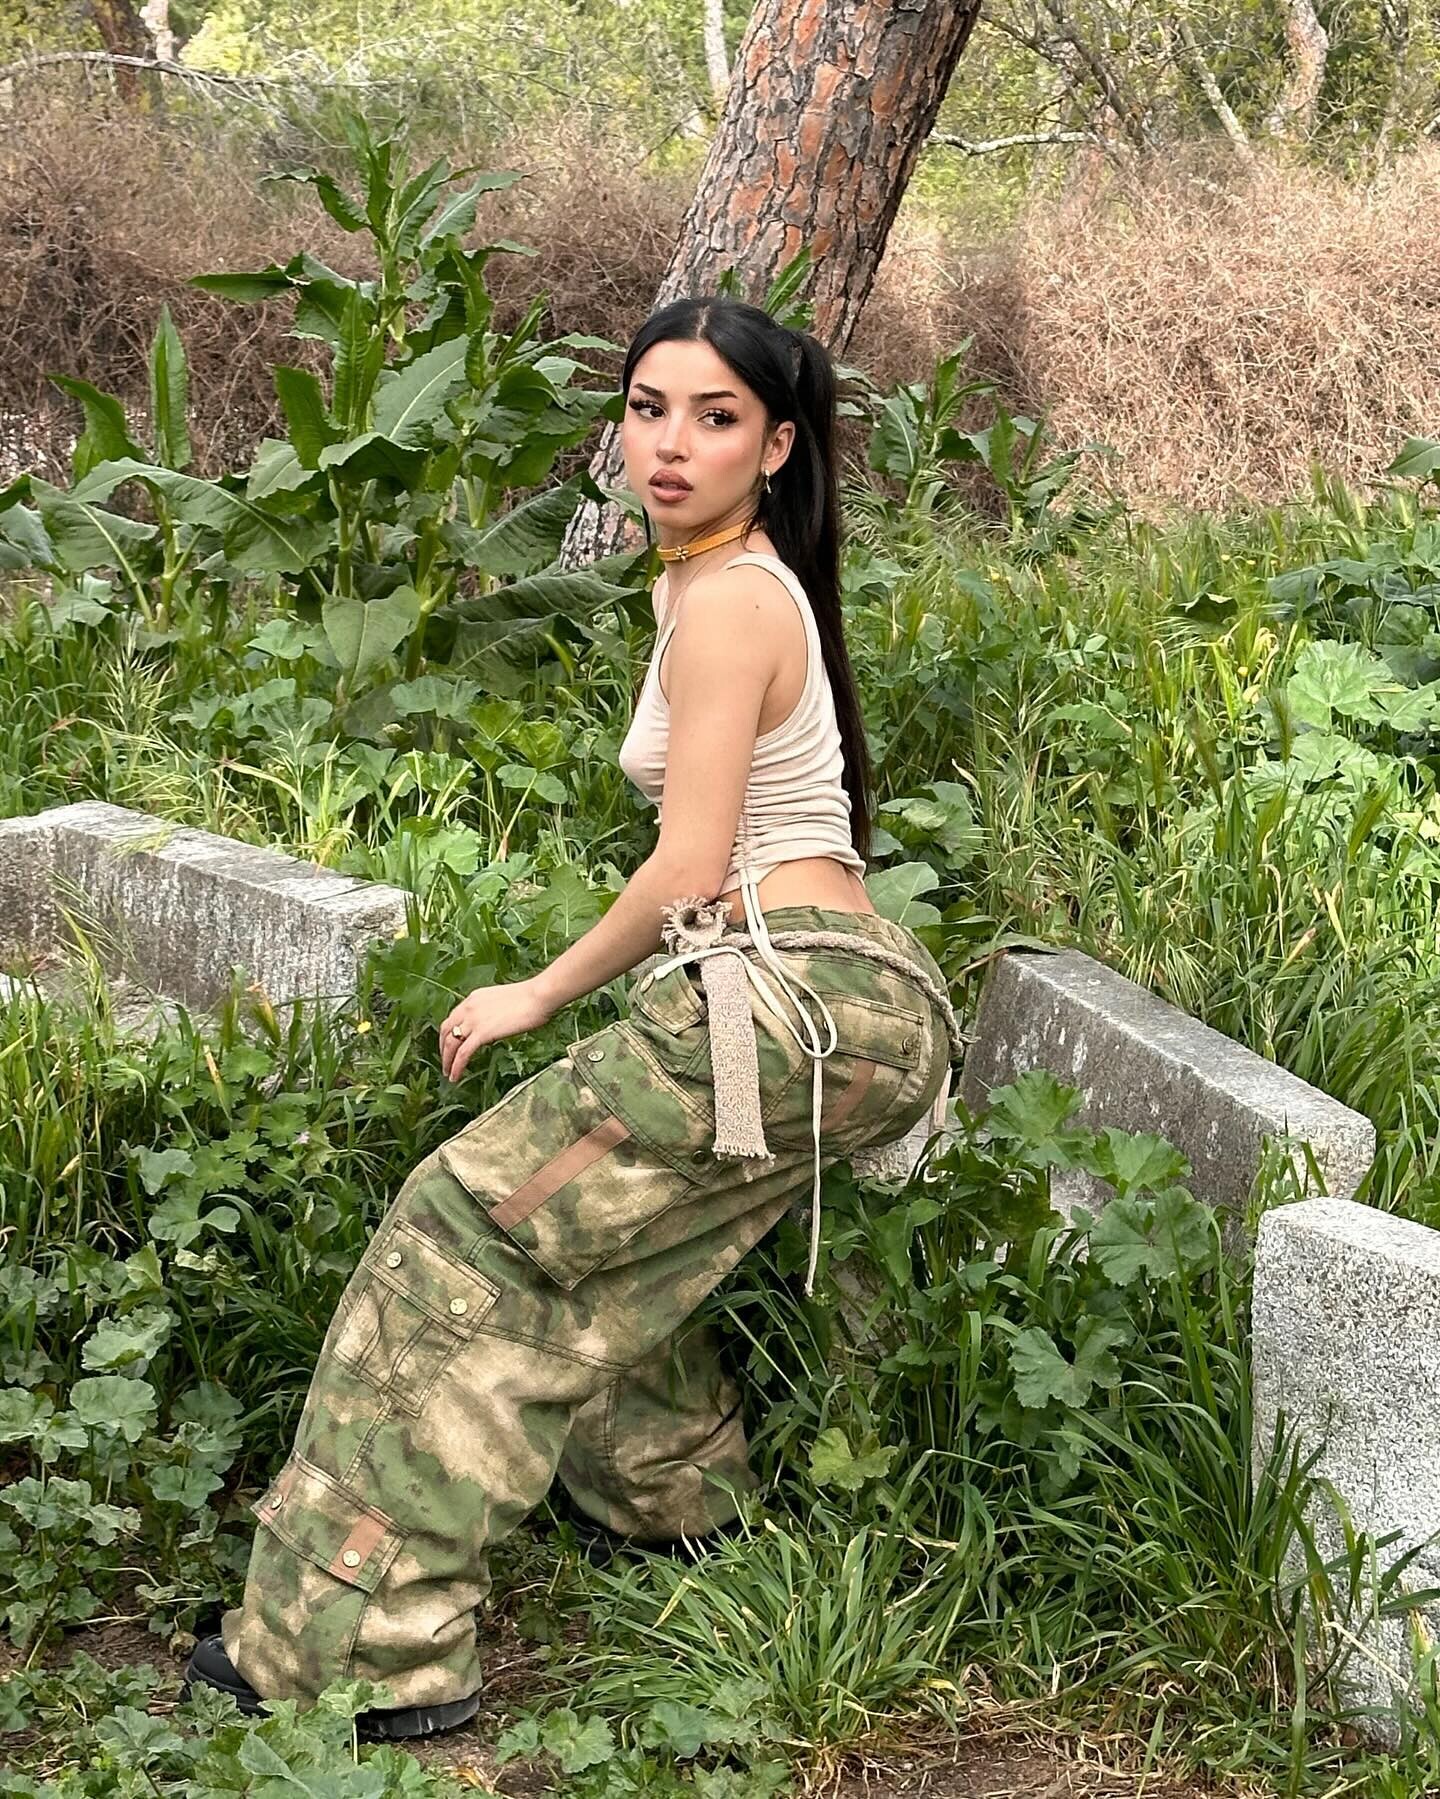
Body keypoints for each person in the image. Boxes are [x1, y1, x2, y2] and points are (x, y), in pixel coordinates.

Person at [183, 294, 962, 1740]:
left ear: (776, 447)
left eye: (716, 418)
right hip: (831, 1007)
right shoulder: (716, 582)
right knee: (585, 1239)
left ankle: (354, 1654)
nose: (671, 445)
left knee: (464, 1226)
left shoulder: (730, 602)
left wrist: (537, 990)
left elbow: (687, 866)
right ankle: (673, 1510)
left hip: (794, 1002)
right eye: (648, 409)